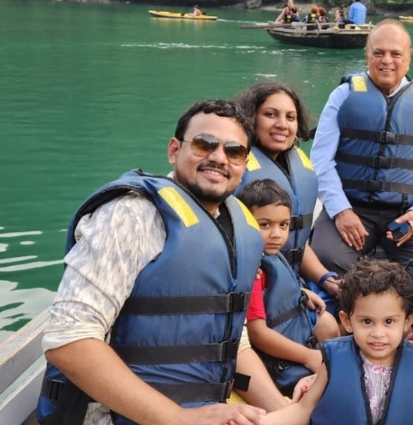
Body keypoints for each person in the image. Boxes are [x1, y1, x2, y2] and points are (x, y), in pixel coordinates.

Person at [35, 99, 268, 425]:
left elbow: (233, 341)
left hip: (205, 407)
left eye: (234, 151)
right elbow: (70, 340)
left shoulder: (236, 225)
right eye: (204, 144)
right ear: (174, 150)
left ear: (244, 164)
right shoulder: (130, 214)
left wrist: (280, 413)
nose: (218, 157)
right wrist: (179, 419)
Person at [309, 20, 413, 274]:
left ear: (408, 58)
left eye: (396, 54)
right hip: (352, 205)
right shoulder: (343, 95)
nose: (387, 61)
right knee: (327, 258)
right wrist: (341, 211)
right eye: (378, 53)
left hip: (405, 213)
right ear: (367, 55)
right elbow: (321, 160)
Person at [257, 258, 413, 425]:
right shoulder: (334, 359)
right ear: (347, 321)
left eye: (389, 322)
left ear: (407, 321)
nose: (378, 333)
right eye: (367, 321)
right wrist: (261, 421)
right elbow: (302, 410)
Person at [236, 82, 341, 299]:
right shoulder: (235, 168)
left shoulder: (296, 166)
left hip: (290, 279)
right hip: (254, 287)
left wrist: (326, 280)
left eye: (290, 117)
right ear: (250, 118)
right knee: (329, 326)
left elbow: (296, 244)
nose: (282, 125)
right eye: (271, 114)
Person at [237, 179, 340, 396]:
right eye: (265, 225)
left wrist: (301, 292)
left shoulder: (270, 256)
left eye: (283, 225)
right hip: (283, 363)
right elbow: (258, 333)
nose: (277, 234)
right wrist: (307, 356)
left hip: (296, 335)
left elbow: (276, 289)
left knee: (329, 325)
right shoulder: (253, 272)